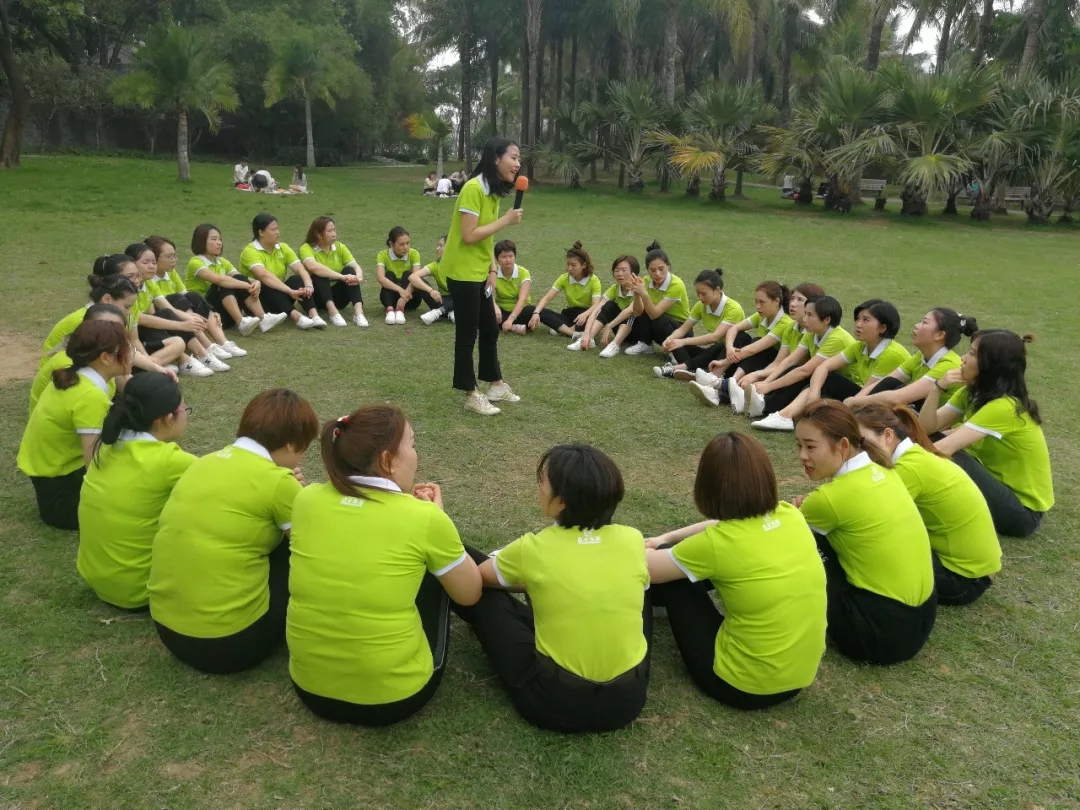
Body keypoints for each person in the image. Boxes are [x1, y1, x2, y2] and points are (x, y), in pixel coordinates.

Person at [287, 405, 483, 726]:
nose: (416, 454)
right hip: (393, 698)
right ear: (388, 460)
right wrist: (438, 520)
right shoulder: (425, 518)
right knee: (440, 570)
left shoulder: (306, 499)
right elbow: (470, 593)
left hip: (310, 688)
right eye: (412, 444)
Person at [454, 444, 652, 733]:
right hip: (628, 701)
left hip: (556, 705)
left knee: (473, 579)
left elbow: (476, 578)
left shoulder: (534, 549)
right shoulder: (632, 540)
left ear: (561, 503)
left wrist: (438, 524)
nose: (538, 489)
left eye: (542, 483)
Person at [646, 432, 826, 709]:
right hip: (798, 679)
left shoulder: (717, 545)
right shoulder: (790, 515)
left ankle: (651, 608)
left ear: (707, 485)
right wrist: (666, 536)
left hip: (740, 686)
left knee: (673, 572)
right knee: (687, 559)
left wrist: (646, 544)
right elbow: (721, 526)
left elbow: (647, 567)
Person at [148, 389, 319, 674]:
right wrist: (297, 494)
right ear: (291, 445)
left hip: (168, 630)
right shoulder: (277, 482)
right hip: (230, 645)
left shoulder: (203, 462)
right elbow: (316, 550)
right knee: (295, 552)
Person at [794, 400, 936, 665]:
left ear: (843, 445)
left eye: (810, 446)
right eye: (799, 446)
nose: (802, 455)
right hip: (922, 618)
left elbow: (783, 535)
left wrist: (798, 514)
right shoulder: (885, 471)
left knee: (798, 541)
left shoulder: (830, 498)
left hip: (877, 634)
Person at [854, 404, 1001, 606]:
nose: (858, 451)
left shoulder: (908, 469)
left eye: (862, 442)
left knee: (863, 543)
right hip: (973, 573)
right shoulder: (916, 456)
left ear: (888, 435)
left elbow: (863, 517)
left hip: (961, 579)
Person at [77, 374, 195, 611]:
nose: (187, 415)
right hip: (140, 590)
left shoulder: (108, 447)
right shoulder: (169, 461)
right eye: (185, 410)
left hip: (97, 579)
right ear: (167, 419)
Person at [919, 330, 1053, 538]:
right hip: (996, 486)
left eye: (972, 354)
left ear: (991, 365)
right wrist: (937, 388)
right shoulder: (971, 393)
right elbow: (925, 429)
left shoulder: (1005, 407)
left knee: (949, 456)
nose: (963, 358)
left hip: (1022, 513)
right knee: (927, 438)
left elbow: (941, 449)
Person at [17, 320, 130, 530]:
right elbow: (94, 464)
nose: (131, 354)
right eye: (126, 349)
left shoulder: (73, 375)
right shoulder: (90, 396)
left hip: (52, 475)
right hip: (61, 491)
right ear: (105, 358)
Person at [440, 135, 524, 416]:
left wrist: (491, 270)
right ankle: (470, 393)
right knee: (467, 334)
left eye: (519, 159)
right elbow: (469, 234)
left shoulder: (492, 191)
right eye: (513, 157)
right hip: (462, 271)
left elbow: (487, 238)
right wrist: (506, 220)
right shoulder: (473, 189)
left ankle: (495, 385)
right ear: (496, 158)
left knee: (489, 328)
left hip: (479, 271)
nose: (518, 164)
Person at [751, 299, 909, 432]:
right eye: (857, 319)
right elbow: (823, 367)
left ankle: (784, 414)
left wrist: (767, 384)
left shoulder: (891, 354)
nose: (858, 324)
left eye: (865, 320)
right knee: (817, 377)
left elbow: (869, 392)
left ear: (883, 328)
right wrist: (814, 393)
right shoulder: (860, 346)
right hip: (861, 397)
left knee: (827, 379)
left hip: (882, 407)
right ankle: (781, 413)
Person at [737, 295, 854, 422]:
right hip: (829, 383)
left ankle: (774, 411)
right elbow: (789, 360)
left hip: (848, 388)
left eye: (810, 315)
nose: (805, 319)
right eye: (805, 314)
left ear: (826, 320)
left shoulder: (836, 338)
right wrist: (766, 383)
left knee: (810, 375)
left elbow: (805, 371)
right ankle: (761, 401)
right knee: (794, 368)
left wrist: (769, 386)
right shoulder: (812, 332)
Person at [720, 284, 824, 415]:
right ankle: (728, 387)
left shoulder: (812, 331)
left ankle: (734, 390)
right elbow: (780, 362)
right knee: (746, 343)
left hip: (813, 382)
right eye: (792, 299)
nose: (792, 304)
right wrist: (761, 378)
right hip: (788, 372)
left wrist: (763, 381)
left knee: (787, 368)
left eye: (800, 300)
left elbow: (799, 368)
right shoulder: (791, 327)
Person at [126, 241, 227, 376]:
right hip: (130, 339)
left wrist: (190, 318)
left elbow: (169, 309)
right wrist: (182, 324)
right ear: (131, 264)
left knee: (174, 318)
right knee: (170, 315)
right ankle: (189, 358)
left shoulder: (149, 284)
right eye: (145, 262)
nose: (151, 266)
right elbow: (139, 318)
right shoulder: (125, 289)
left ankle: (202, 353)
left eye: (153, 262)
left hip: (140, 337)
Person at [846, 308, 977, 410]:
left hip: (940, 430)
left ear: (939, 335)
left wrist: (855, 402)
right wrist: (852, 403)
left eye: (924, 322)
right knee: (890, 384)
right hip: (918, 419)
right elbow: (886, 382)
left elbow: (897, 398)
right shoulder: (920, 356)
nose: (916, 325)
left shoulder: (948, 365)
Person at [145, 235, 244, 362]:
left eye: (174, 255)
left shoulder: (170, 273)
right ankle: (207, 346)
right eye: (169, 256)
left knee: (192, 295)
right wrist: (190, 316)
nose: (174, 260)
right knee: (176, 298)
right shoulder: (148, 280)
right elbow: (163, 308)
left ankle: (223, 343)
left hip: (180, 315)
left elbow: (187, 296)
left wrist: (211, 311)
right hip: (164, 320)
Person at [692, 281, 793, 393]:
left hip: (771, 367)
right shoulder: (762, 315)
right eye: (756, 301)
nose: (758, 306)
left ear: (777, 301)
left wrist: (725, 361)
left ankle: (730, 383)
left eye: (762, 302)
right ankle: (715, 377)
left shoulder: (785, 322)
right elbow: (733, 329)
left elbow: (753, 350)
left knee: (758, 344)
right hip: (753, 362)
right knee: (741, 336)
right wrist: (730, 347)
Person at [187, 223, 286, 337]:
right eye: (214, 239)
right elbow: (220, 280)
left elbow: (239, 277)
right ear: (201, 241)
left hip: (225, 316)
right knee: (224, 283)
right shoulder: (195, 262)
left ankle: (263, 318)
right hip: (206, 314)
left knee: (234, 280)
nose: (219, 243)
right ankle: (241, 322)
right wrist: (247, 285)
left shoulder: (223, 262)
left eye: (220, 239)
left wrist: (255, 282)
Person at [31, 302, 130, 415]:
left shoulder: (100, 354)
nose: (112, 331)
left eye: (118, 329)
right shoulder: (69, 363)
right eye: (104, 327)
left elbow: (125, 382)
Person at [42, 254, 141, 360]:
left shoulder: (104, 315)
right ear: (107, 299)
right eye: (127, 307)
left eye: (137, 275)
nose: (129, 312)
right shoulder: (87, 321)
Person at [652, 269, 745, 379]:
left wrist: (683, 341)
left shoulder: (733, 309)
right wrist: (670, 339)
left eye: (704, 294)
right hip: (715, 353)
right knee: (687, 345)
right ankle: (692, 368)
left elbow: (715, 337)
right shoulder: (701, 305)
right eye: (698, 294)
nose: (700, 297)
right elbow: (683, 329)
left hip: (734, 355)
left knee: (717, 346)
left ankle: (680, 368)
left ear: (717, 290)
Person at [238, 213, 322, 330]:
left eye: (277, 228)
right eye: (273, 229)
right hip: (258, 302)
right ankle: (297, 317)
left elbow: (300, 269)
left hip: (279, 298)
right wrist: (290, 291)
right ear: (261, 232)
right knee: (268, 283)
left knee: (297, 279)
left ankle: (314, 315)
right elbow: (264, 275)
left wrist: (309, 285)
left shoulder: (283, 247)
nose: (277, 232)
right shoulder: (250, 251)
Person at [529, 242, 603, 346]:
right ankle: (573, 333)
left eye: (574, 265)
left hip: (586, 314)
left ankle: (561, 329)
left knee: (596, 316)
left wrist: (585, 314)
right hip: (570, 314)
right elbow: (548, 297)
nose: (570, 268)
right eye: (568, 264)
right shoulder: (564, 278)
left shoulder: (594, 280)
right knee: (538, 310)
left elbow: (596, 305)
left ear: (584, 265)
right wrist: (536, 313)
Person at [298, 216, 367, 328]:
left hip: (339, 298)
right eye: (329, 231)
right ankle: (333, 313)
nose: (334, 234)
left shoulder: (340, 247)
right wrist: (342, 277)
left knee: (350, 270)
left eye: (334, 230)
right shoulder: (306, 248)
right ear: (318, 234)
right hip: (317, 297)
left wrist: (358, 277)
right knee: (320, 273)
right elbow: (313, 267)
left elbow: (355, 266)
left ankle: (359, 313)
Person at [578, 254, 652, 358]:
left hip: (639, 333)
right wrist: (586, 334)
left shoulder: (641, 286)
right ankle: (589, 339)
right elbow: (597, 309)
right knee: (608, 305)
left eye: (623, 270)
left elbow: (631, 310)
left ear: (633, 272)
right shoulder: (615, 288)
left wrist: (609, 326)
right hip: (623, 331)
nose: (619, 274)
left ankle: (614, 345)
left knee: (630, 311)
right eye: (616, 271)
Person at [628, 240, 691, 357]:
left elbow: (654, 315)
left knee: (660, 318)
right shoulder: (646, 281)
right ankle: (646, 344)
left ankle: (675, 352)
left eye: (661, 269)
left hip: (681, 330)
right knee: (647, 311)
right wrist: (637, 294)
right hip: (661, 329)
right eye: (653, 270)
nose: (657, 273)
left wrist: (644, 294)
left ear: (668, 266)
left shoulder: (676, 285)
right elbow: (637, 312)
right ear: (648, 270)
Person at [375, 226, 423, 325]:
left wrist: (404, 297)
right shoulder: (383, 255)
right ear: (391, 244)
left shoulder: (414, 254)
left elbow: (416, 278)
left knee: (408, 275)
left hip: (411, 299)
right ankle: (390, 310)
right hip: (391, 299)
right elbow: (380, 278)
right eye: (401, 244)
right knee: (389, 275)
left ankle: (400, 310)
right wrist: (401, 290)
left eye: (407, 243)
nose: (406, 247)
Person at [492, 239, 534, 335]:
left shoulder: (523, 273)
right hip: (501, 310)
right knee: (485, 309)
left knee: (531, 310)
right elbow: (489, 294)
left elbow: (522, 300)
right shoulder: (493, 273)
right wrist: (495, 308)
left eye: (511, 256)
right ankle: (514, 327)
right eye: (503, 257)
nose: (508, 260)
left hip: (520, 311)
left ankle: (507, 324)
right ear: (497, 258)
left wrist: (510, 319)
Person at [410, 235, 455, 325]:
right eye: (438, 245)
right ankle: (452, 312)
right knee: (421, 282)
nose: (437, 248)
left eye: (441, 246)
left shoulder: (460, 265)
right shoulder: (435, 265)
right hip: (442, 300)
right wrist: (431, 291)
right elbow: (412, 277)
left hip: (461, 299)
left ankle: (439, 312)